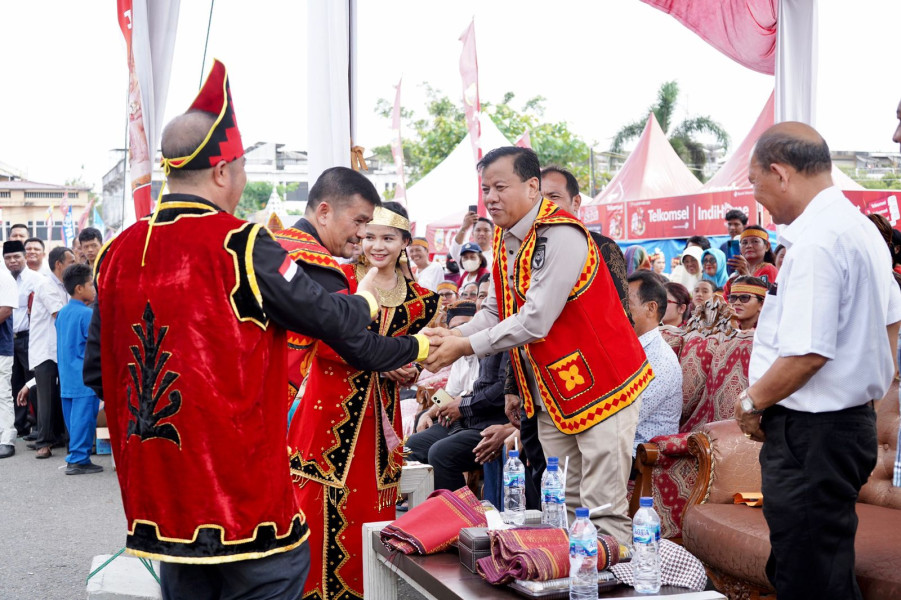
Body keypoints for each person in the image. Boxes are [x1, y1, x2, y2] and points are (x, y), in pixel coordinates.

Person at [83, 60, 403, 599]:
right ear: (223, 170)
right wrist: (375, 295)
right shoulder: (242, 244)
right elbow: (335, 321)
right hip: (248, 505)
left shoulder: (117, 252)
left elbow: (99, 371)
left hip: (165, 511)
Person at [423, 147, 652, 545]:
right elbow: (494, 312)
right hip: (554, 392)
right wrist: (453, 337)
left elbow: (535, 319)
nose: (490, 198)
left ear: (532, 187)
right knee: (562, 502)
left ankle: (611, 581)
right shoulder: (506, 240)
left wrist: (465, 348)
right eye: (485, 189)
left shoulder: (560, 234)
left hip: (604, 385)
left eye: (499, 187)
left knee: (602, 509)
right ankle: (574, 579)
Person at [735, 122, 901, 600]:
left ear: (779, 173)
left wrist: (751, 404)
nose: (756, 197)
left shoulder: (817, 241)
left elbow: (807, 353)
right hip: (841, 427)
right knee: (821, 566)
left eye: (754, 183)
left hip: (813, 433)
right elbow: (892, 320)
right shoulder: (858, 228)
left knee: (810, 577)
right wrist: (869, 388)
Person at [287, 202, 438, 600]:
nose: (376, 245)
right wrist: (384, 361)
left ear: (405, 242)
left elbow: (427, 353)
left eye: (388, 238)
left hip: (380, 425)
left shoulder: (423, 301)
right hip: (328, 417)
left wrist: (412, 367)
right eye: (369, 235)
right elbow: (320, 339)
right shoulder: (338, 281)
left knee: (372, 513)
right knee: (316, 510)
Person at [272, 169, 433, 404]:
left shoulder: (277, 245)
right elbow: (360, 347)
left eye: (387, 237)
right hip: (316, 400)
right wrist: (424, 344)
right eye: (358, 221)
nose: (362, 234)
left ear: (404, 242)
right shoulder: (317, 264)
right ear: (324, 213)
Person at [407, 300, 509, 499]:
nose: (460, 331)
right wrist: (429, 412)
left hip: (478, 417)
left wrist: (460, 404)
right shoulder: (460, 357)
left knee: (440, 452)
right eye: (454, 329)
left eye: (464, 326)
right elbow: (447, 394)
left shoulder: (490, 344)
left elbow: (494, 392)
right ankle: (425, 507)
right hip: (461, 416)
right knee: (413, 444)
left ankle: (462, 516)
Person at [539, 165, 631, 319]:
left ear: (576, 202)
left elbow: (621, 312)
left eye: (554, 197)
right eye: (540, 198)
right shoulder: (528, 247)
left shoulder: (602, 247)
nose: (545, 205)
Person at [23, 246, 74, 457]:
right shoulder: (46, 285)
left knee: (65, 393)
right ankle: (43, 443)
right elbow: (59, 315)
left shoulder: (66, 286)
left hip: (61, 348)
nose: (74, 265)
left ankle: (62, 437)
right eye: (70, 262)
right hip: (45, 349)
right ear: (59, 264)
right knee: (45, 396)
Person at [54, 263, 103, 474]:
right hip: (83, 377)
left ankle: (76, 456)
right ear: (79, 289)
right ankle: (78, 459)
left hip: (66, 376)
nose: (93, 289)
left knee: (74, 421)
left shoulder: (63, 313)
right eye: (90, 285)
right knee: (84, 419)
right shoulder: (87, 314)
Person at [626, 271, 681, 457]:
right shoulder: (629, 346)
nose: (619, 310)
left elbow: (625, 419)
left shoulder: (660, 359)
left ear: (651, 308)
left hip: (642, 456)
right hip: (618, 443)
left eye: (627, 304)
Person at [5, 240, 42, 438]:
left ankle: (38, 426)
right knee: (14, 382)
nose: (12, 261)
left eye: (16, 257)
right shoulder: (3, 280)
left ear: (24, 257)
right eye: (8, 258)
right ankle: (20, 426)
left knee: (33, 382)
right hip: (8, 339)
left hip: (30, 338)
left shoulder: (36, 279)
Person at [723, 224, 779, 297]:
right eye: (744, 242)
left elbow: (767, 299)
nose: (749, 246)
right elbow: (725, 299)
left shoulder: (769, 269)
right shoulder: (735, 275)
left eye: (755, 241)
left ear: (767, 246)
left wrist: (745, 276)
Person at [0, 266, 18, 459]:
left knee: (2, 393)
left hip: (1, 347)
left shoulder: (4, 278)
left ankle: (7, 439)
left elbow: (5, 310)